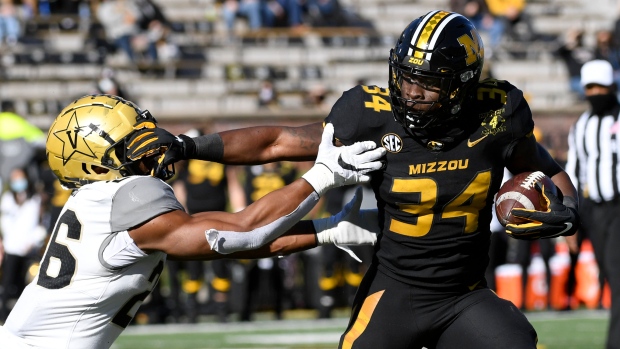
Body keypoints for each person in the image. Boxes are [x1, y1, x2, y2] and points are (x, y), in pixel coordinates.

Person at [130, 10, 581, 348]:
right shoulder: (371, 116)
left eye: (426, 84)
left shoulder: (498, 115)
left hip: (465, 295)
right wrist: (190, 146)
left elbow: (546, 171)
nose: (410, 93)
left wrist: (562, 212)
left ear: (461, 85)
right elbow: (278, 142)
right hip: (394, 291)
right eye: (405, 79)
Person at [0, 94, 385, 348]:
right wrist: (323, 176)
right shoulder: (130, 195)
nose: (148, 150)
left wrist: (328, 229)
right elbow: (241, 233)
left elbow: (228, 235)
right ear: (95, 164)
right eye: (130, 146)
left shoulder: (102, 201)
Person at [565, 59, 620, 349]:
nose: (596, 92)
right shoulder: (581, 126)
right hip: (594, 210)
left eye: (601, 86)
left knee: (618, 276)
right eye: (590, 87)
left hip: (619, 207)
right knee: (610, 276)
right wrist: (571, 220)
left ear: (612, 87)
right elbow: (573, 173)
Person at [0, 167, 46, 322]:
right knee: (8, 281)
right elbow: (5, 223)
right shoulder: (8, 198)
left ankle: (20, 316)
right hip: (12, 248)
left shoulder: (35, 198)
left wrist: (33, 241)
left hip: (29, 248)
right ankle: (4, 315)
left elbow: (40, 223)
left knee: (25, 284)